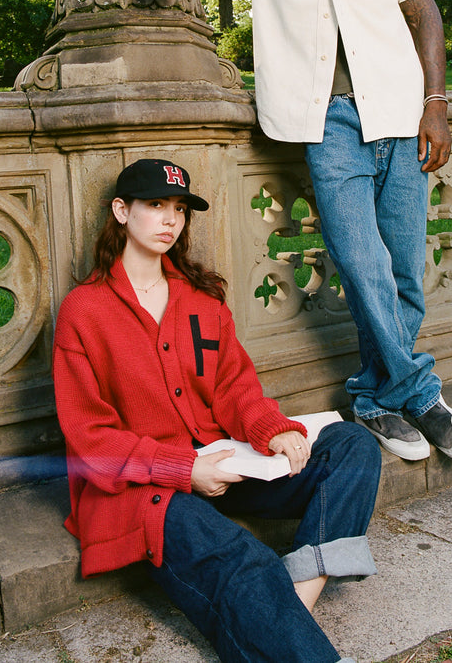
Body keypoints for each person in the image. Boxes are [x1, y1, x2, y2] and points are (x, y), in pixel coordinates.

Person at [144, 0, 452, 463]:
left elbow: (425, 13)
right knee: (362, 263)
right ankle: (419, 391)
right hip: (328, 121)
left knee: (404, 270)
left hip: (400, 111)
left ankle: (375, 399)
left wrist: (436, 105)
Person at [52, 158, 381, 663]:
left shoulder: (201, 298)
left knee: (352, 445)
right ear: (121, 211)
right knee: (244, 558)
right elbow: (91, 438)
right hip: (146, 487)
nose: (170, 219)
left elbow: (234, 385)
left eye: (180, 209)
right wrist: (185, 470)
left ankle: (294, 607)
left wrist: (271, 429)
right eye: (155, 205)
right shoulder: (85, 310)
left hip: (224, 461)